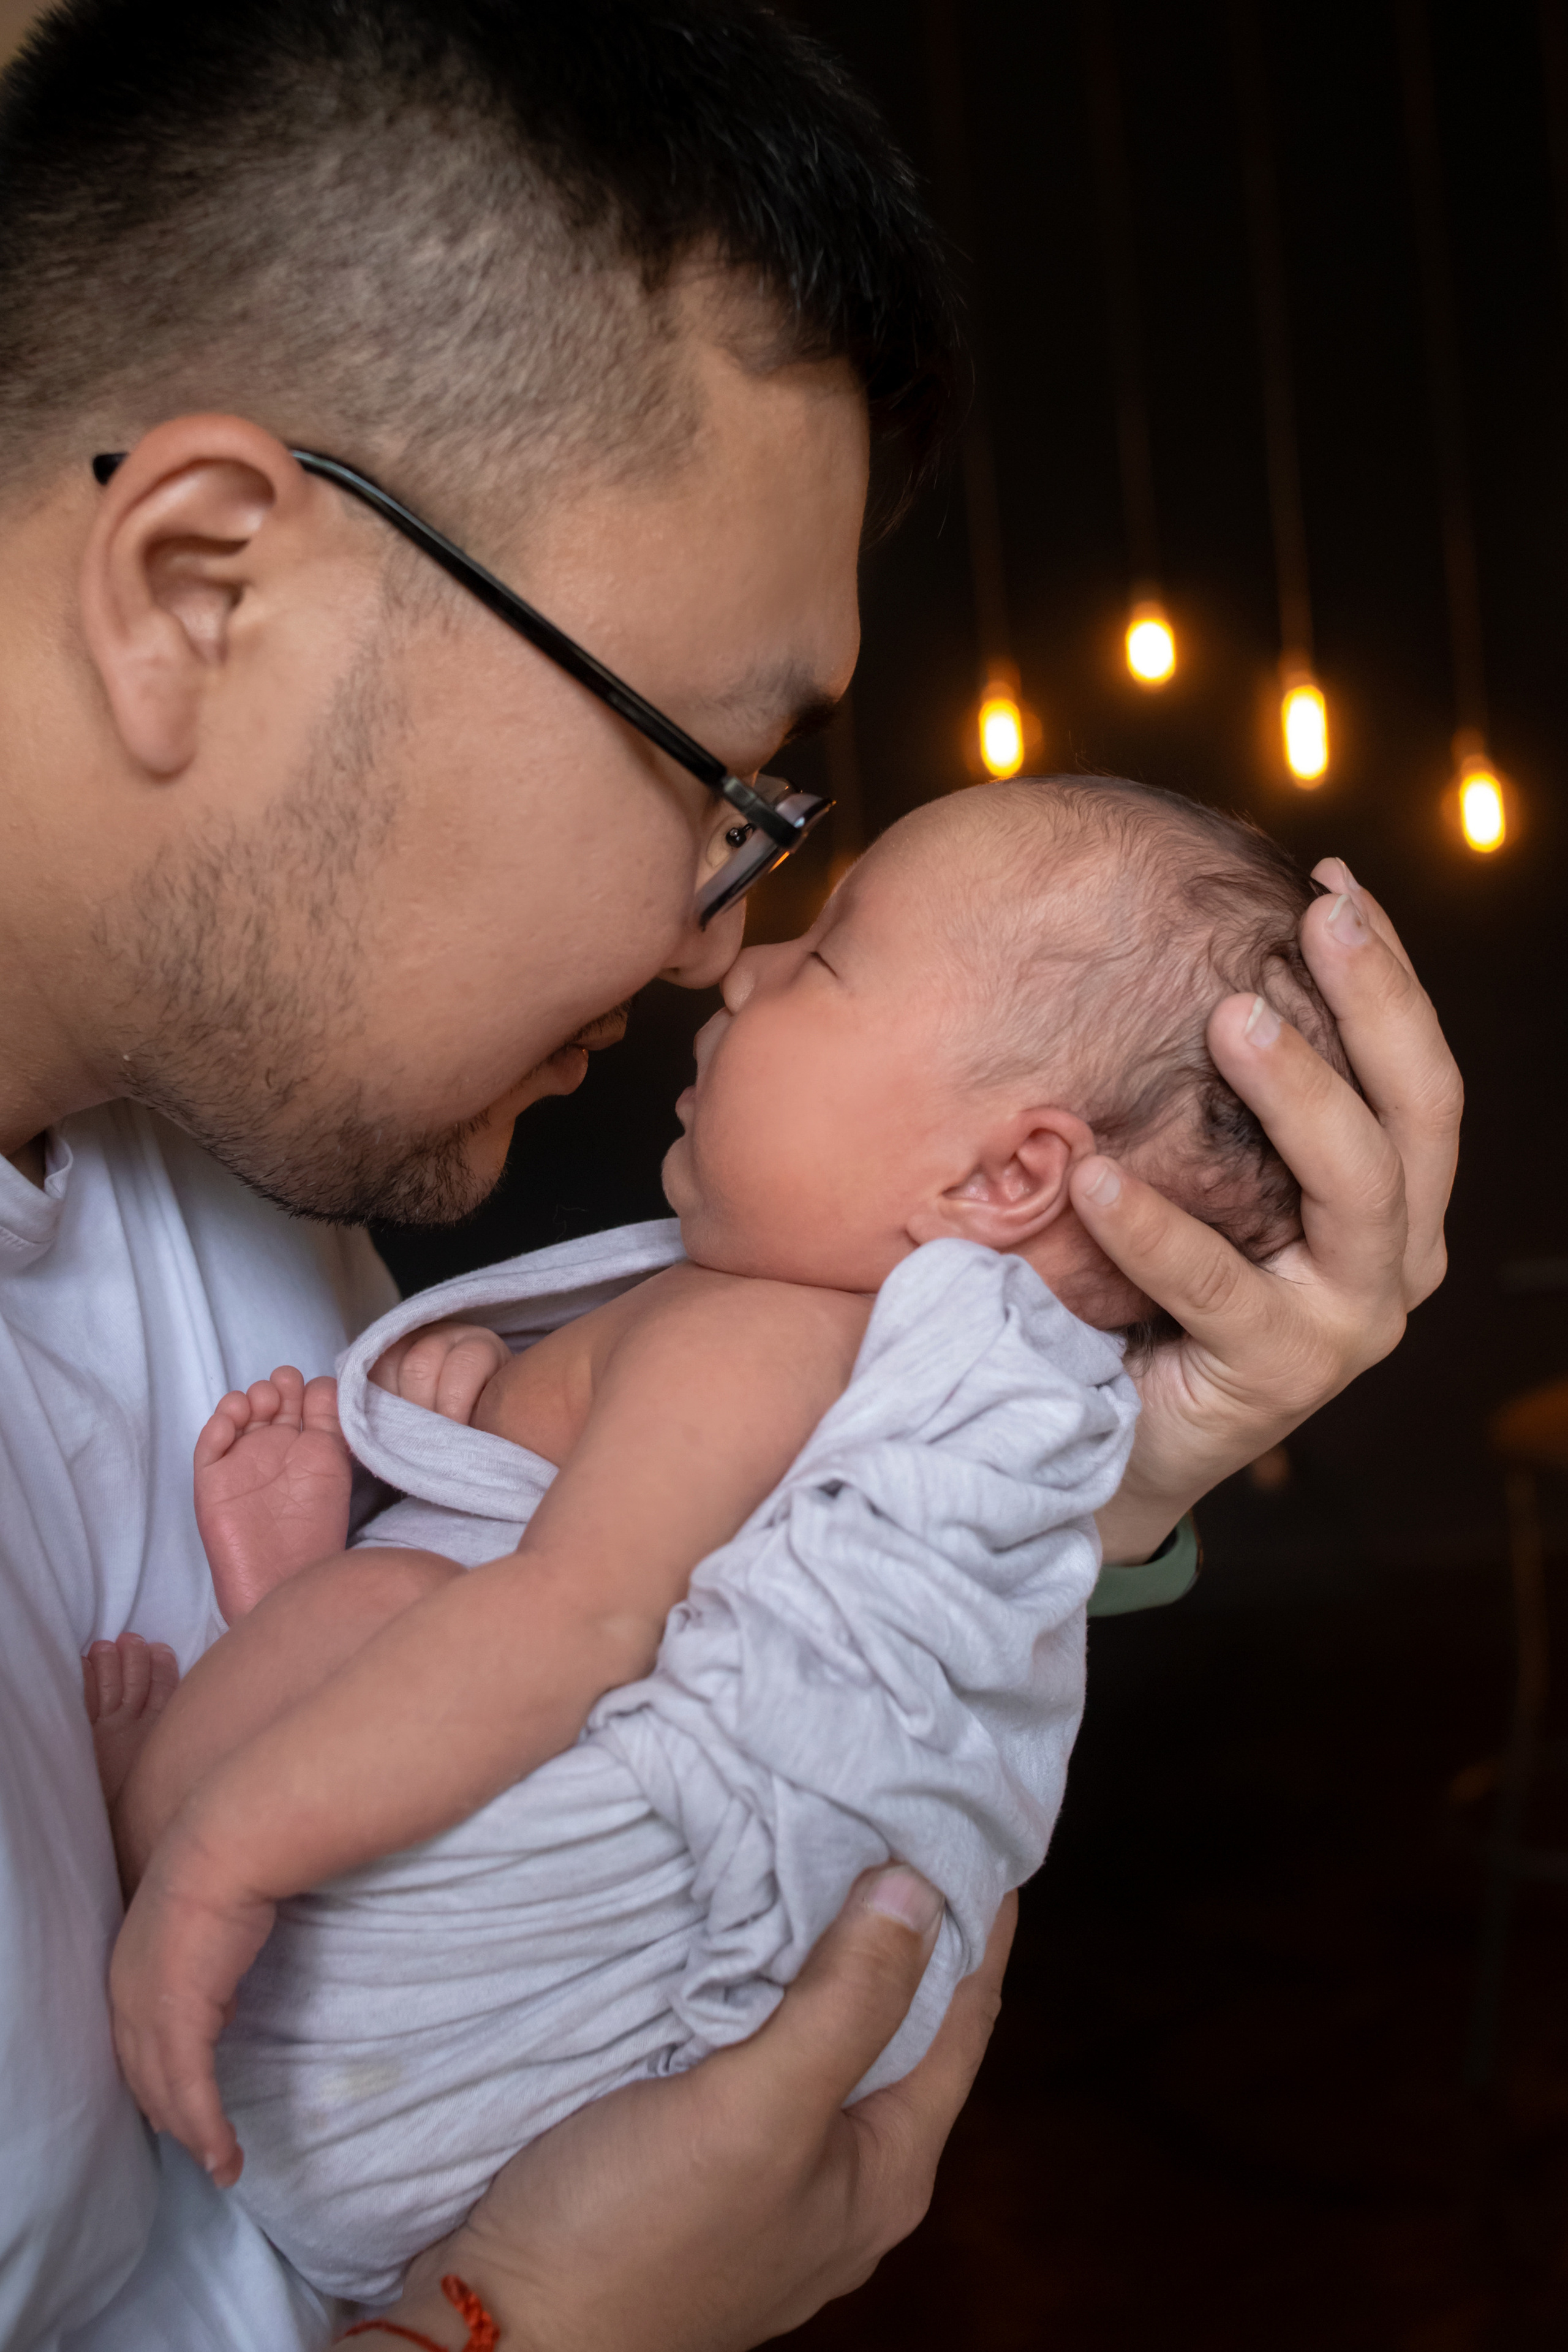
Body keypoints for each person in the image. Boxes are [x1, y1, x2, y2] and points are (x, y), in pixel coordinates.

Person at [0, 0, 1458, 2345]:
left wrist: (1109, 1481)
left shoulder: (258, 1204)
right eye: (727, 769)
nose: (718, 945)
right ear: (199, 585)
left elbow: (662, 1663)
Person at [98, 778, 1353, 2319]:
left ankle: (181, 1769)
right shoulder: (826, 1355)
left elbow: (572, 1621)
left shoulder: (761, 1339)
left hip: (411, 2063)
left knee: (420, 1601)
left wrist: (217, 1859)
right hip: (463, 2176)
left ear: (1005, 1177)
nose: (742, 963)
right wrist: (491, 1403)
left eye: (823, 958)